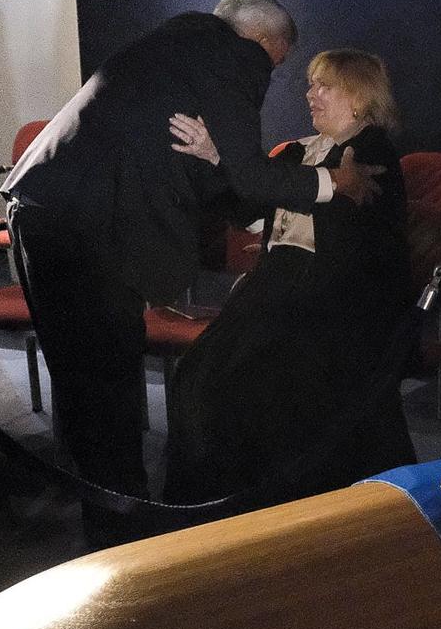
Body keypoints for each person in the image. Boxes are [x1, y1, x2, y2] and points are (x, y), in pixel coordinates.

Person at [0, 0, 382, 543]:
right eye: (283, 69)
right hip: (94, 235)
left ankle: (101, 514)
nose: (290, 87)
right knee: (107, 388)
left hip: (41, 212)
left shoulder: (170, 48)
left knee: (84, 385)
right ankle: (121, 532)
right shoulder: (234, 57)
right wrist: (334, 183)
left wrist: (218, 158)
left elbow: (221, 177)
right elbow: (252, 180)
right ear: (269, 45)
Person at [161, 49, 413, 507]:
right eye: (310, 84)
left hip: (334, 299)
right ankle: (216, 502)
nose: (310, 94)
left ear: (358, 97)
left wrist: (269, 186)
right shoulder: (299, 150)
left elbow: (363, 240)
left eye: (324, 86)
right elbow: (250, 204)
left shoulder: (372, 151)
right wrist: (217, 159)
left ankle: (263, 502)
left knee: (254, 383)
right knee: (200, 375)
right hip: (277, 287)